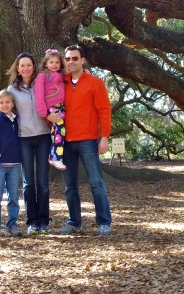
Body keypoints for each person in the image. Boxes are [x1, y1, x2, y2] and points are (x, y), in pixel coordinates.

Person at [49, 44, 113, 236]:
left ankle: (104, 222)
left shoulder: (95, 83)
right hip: (65, 142)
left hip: (88, 140)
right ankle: (74, 222)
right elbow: (51, 107)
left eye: (75, 58)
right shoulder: (60, 83)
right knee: (70, 186)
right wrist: (48, 117)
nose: (71, 62)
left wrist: (104, 138)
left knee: (96, 182)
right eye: (67, 59)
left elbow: (104, 111)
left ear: (82, 60)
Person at [0, 53, 52, 235]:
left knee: (43, 182)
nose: (25, 68)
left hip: (44, 136)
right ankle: (31, 221)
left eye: (28, 65)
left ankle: (43, 221)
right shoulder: (12, 90)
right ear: (17, 68)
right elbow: (3, 113)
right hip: (23, 138)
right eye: (22, 65)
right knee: (28, 182)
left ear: (33, 66)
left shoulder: (42, 84)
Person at [0, 89, 23, 238]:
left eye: (8, 102)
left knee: (13, 197)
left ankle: (12, 225)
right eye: (1, 102)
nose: (5, 105)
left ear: (13, 103)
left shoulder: (17, 120)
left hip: (14, 165)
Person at [34, 49, 67, 171]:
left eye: (57, 62)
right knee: (59, 130)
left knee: (60, 131)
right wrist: (44, 112)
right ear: (46, 63)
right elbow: (39, 94)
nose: (54, 64)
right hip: (51, 108)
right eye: (51, 62)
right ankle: (55, 157)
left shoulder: (62, 75)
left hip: (61, 107)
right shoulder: (43, 76)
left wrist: (85, 71)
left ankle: (58, 155)